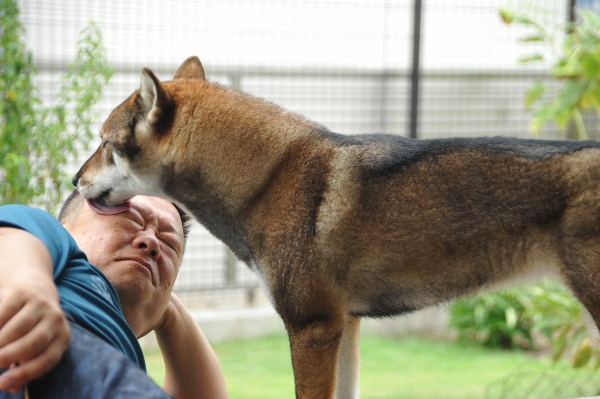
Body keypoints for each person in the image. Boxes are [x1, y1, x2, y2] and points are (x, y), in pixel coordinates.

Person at [0, 190, 229, 398]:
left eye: (169, 244)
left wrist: (169, 312)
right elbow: (12, 241)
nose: (151, 243)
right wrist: (31, 285)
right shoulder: (44, 237)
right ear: (67, 229)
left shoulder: (126, 353)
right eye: (133, 220)